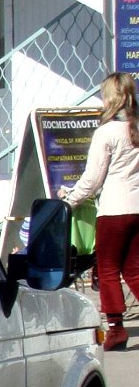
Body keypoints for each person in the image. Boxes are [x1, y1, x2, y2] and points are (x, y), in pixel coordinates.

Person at [61, 71, 139, 351]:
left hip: (114, 210)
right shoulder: (136, 128)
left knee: (107, 269)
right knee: (134, 269)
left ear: (111, 98)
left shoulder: (106, 132)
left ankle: (116, 329)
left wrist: (69, 201)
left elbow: (93, 179)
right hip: (137, 209)